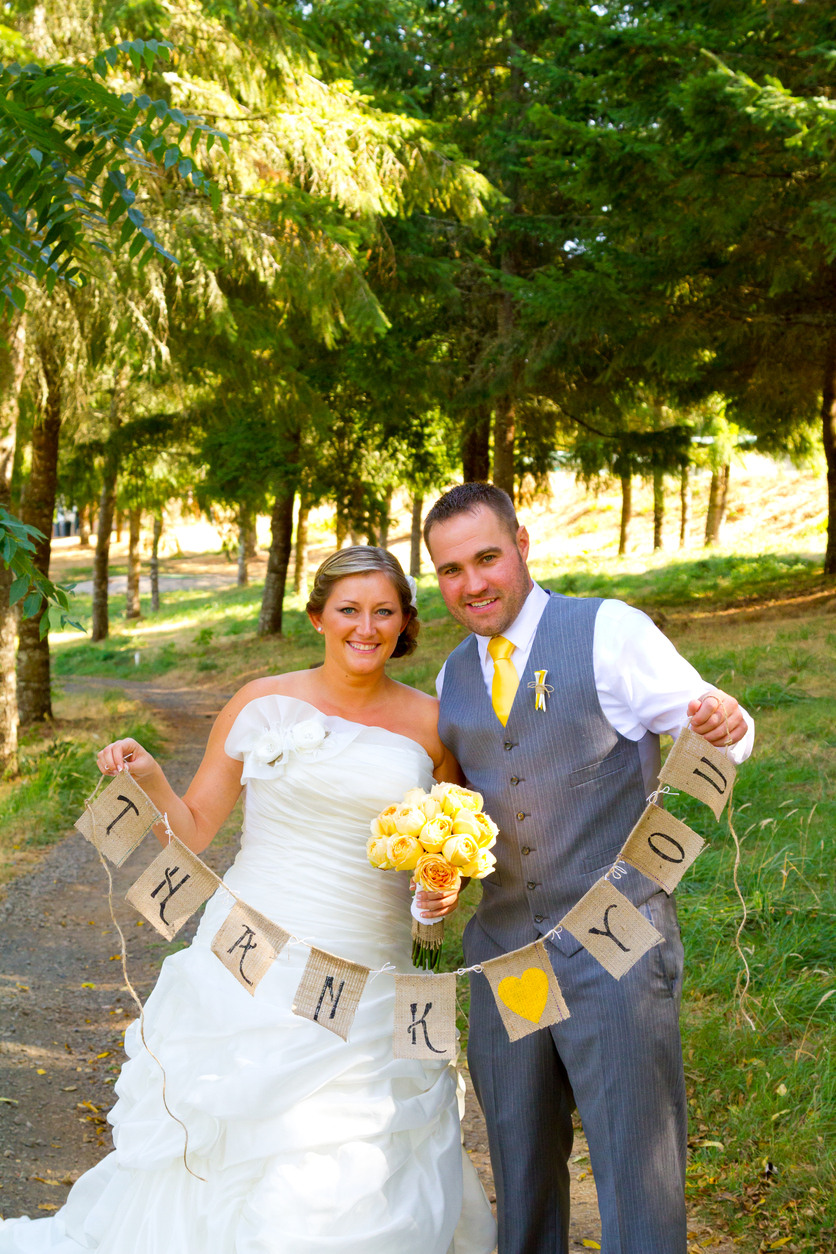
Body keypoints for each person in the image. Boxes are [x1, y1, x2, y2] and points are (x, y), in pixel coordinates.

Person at [0, 547, 496, 1254]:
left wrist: (440, 892)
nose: (366, 626)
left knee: (362, 1147)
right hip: (253, 960)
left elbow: (446, 854)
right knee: (236, 1136)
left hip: (374, 972)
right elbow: (196, 828)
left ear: (405, 623)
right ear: (318, 615)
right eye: (349, 610)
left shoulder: (432, 723)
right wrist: (147, 778)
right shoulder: (260, 701)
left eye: (383, 611)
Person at [417, 482, 755, 1254]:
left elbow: (717, 727)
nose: (472, 584)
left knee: (637, 1174)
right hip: (510, 960)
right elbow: (463, 821)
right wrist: (437, 878)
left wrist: (725, 723)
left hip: (615, 949)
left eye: (487, 558)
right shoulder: (451, 681)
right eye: (450, 569)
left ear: (524, 544)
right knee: (523, 1169)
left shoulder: (607, 630)